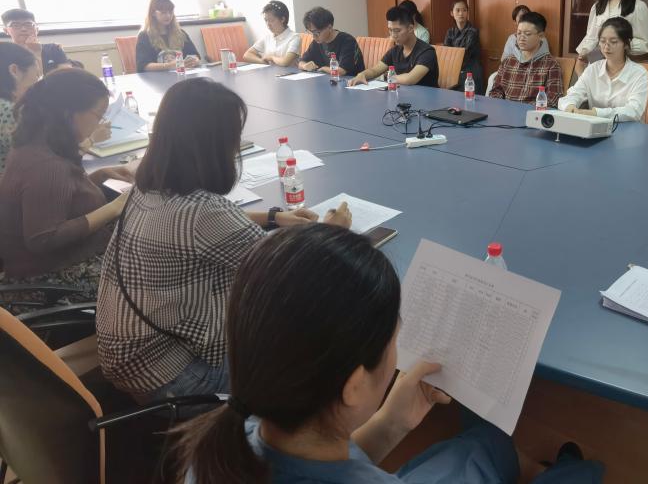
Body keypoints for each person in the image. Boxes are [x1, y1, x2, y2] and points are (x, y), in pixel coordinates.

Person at [174, 224, 604, 484]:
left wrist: (389, 423)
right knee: (573, 472)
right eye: (394, 338)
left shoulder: (222, 449)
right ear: (353, 386)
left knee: (488, 445)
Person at [96, 78, 351, 403]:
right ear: (214, 146)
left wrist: (274, 217)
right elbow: (291, 276)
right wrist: (331, 232)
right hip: (171, 375)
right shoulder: (203, 213)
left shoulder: (149, 187)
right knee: (309, 345)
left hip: (130, 354)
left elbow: (206, 227)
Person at [0, 69, 133, 295]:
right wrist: (115, 207)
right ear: (68, 113)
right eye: (99, 115)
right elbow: (43, 239)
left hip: (50, 266)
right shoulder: (46, 165)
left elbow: (55, 199)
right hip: (48, 281)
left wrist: (98, 176)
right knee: (157, 266)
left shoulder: (37, 144)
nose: (101, 122)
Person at [558, 17, 648, 123]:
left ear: (626, 44)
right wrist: (570, 106)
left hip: (628, 129)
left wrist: (595, 113)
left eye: (613, 42)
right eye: (602, 41)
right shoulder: (593, 69)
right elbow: (573, 95)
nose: (606, 47)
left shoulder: (639, 74)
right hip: (595, 128)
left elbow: (633, 111)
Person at [574, 0, 648, 76]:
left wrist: (618, 44)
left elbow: (644, 45)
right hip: (595, 64)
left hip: (621, 67)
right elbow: (591, 36)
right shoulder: (598, 6)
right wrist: (582, 54)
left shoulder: (638, 7)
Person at [348, 6, 439, 89]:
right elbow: (375, 70)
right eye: (390, 30)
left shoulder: (427, 52)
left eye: (397, 30)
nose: (393, 35)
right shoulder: (395, 50)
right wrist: (362, 75)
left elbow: (410, 79)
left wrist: (388, 78)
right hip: (404, 97)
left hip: (426, 98)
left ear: (410, 28)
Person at [489, 11, 564, 105]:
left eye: (527, 34)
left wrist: (524, 110)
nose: (521, 38)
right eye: (519, 33)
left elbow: (553, 99)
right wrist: (503, 107)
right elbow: (495, 91)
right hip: (505, 111)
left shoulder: (551, 65)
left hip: (532, 112)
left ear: (541, 36)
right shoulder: (508, 61)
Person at [0, 42, 40, 174]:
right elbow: (40, 157)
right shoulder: (11, 111)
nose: (37, 82)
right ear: (14, 70)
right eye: (36, 75)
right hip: (12, 182)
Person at [136, 0, 201, 72]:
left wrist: (195, 60)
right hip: (157, 78)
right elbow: (143, 66)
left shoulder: (180, 33)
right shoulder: (144, 36)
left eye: (171, 12)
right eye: (163, 13)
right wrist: (169, 65)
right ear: (153, 13)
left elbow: (195, 55)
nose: (168, 16)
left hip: (181, 75)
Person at [297, 6, 365, 76]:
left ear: (329, 27)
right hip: (329, 79)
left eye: (316, 33)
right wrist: (305, 66)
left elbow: (341, 71)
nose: (314, 37)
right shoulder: (317, 41)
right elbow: (301, 62)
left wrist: (323, 68)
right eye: (311, 33)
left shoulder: (348, 41)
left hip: (350, 80)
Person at [2, 8, 74, 73]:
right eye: (16, 25)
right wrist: (36, 53)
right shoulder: (4, 55)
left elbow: (67, 77)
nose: (23, 29)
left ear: (37, 29)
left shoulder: (53, 48)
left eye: (28, 24)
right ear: (6, 30)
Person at [442, 0, 483, 91]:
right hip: (454, 67)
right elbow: (446, 52)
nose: (461, 13)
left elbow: (466, 54)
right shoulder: (450, 31)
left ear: (467, 12)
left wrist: (453, 57)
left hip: (470, 68)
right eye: (458, 10)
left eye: (464, 10)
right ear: (452, 13)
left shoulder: (473, 31)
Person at [243, 1, 300, 67]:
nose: (268, 24)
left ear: (282, 19)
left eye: (271, 20)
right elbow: (247, 55)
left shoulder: (294, 37)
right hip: (270, 72)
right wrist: (263, 62)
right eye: (266, 20)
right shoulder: (268, 37)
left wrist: (271, 57)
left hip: (289, 73)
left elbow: (285, 62)